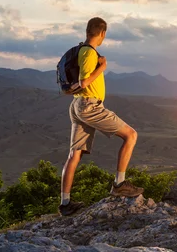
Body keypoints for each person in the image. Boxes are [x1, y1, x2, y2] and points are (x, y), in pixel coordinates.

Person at [59, 17, 143, 216]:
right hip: (89, 105)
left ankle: (65, 204)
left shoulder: (81, 50)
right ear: (103, 33)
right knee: (131, 135)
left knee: (74, 155)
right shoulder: (89, 53)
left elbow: (76, 85)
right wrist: (102, 68)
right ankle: (119, 184)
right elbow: (84, 81)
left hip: (79, 105)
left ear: (88, 30)